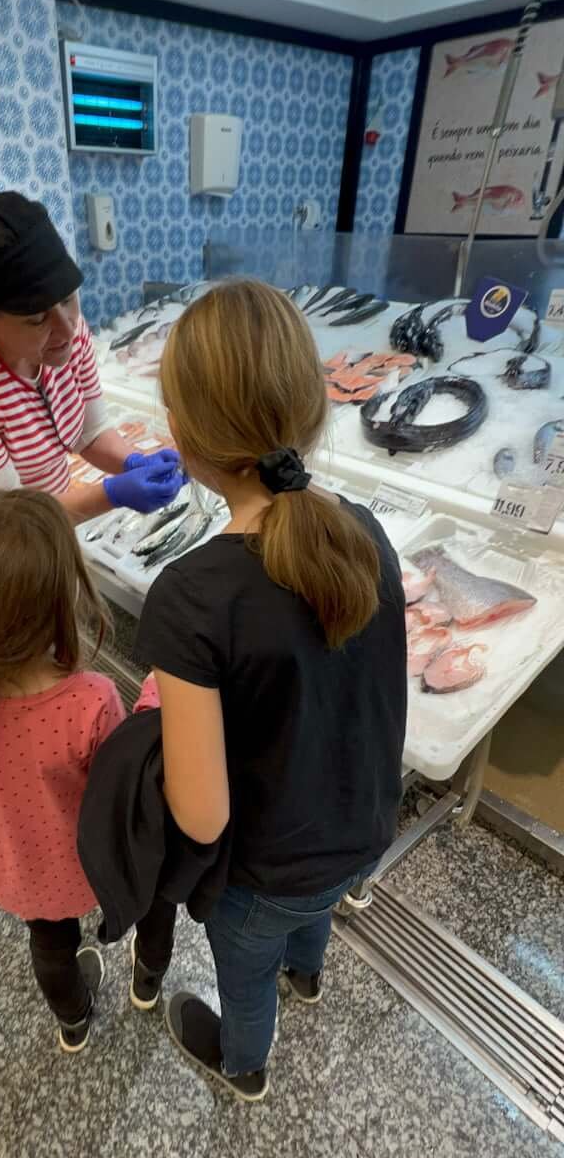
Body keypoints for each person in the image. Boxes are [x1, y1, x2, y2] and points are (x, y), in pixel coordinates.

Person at [134, 279, 407, 1101]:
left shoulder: (190, 596)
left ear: (183, 436)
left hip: (263, 878)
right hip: (359, 836)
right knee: (310, 919)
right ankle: (312, 975)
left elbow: (204, 814)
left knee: (244, 979)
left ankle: (244, 1065)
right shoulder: (364, 529)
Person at [0, 487, 172, 1053]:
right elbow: (124, 797)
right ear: (57, 604)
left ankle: (73, 1019)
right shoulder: (89, 701)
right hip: (101, 865)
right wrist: (156, 696)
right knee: (155, 900)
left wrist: (3, 831)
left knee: (50, 947)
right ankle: (149, 979)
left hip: (22, 874)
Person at [0, 193, 183, 557]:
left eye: (67, 299)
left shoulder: (64, 327)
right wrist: (114, 493)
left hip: (48, 525)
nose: (67, 330)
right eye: (36, 319)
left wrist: (132, 461)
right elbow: (7, 519)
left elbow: (88, 432)